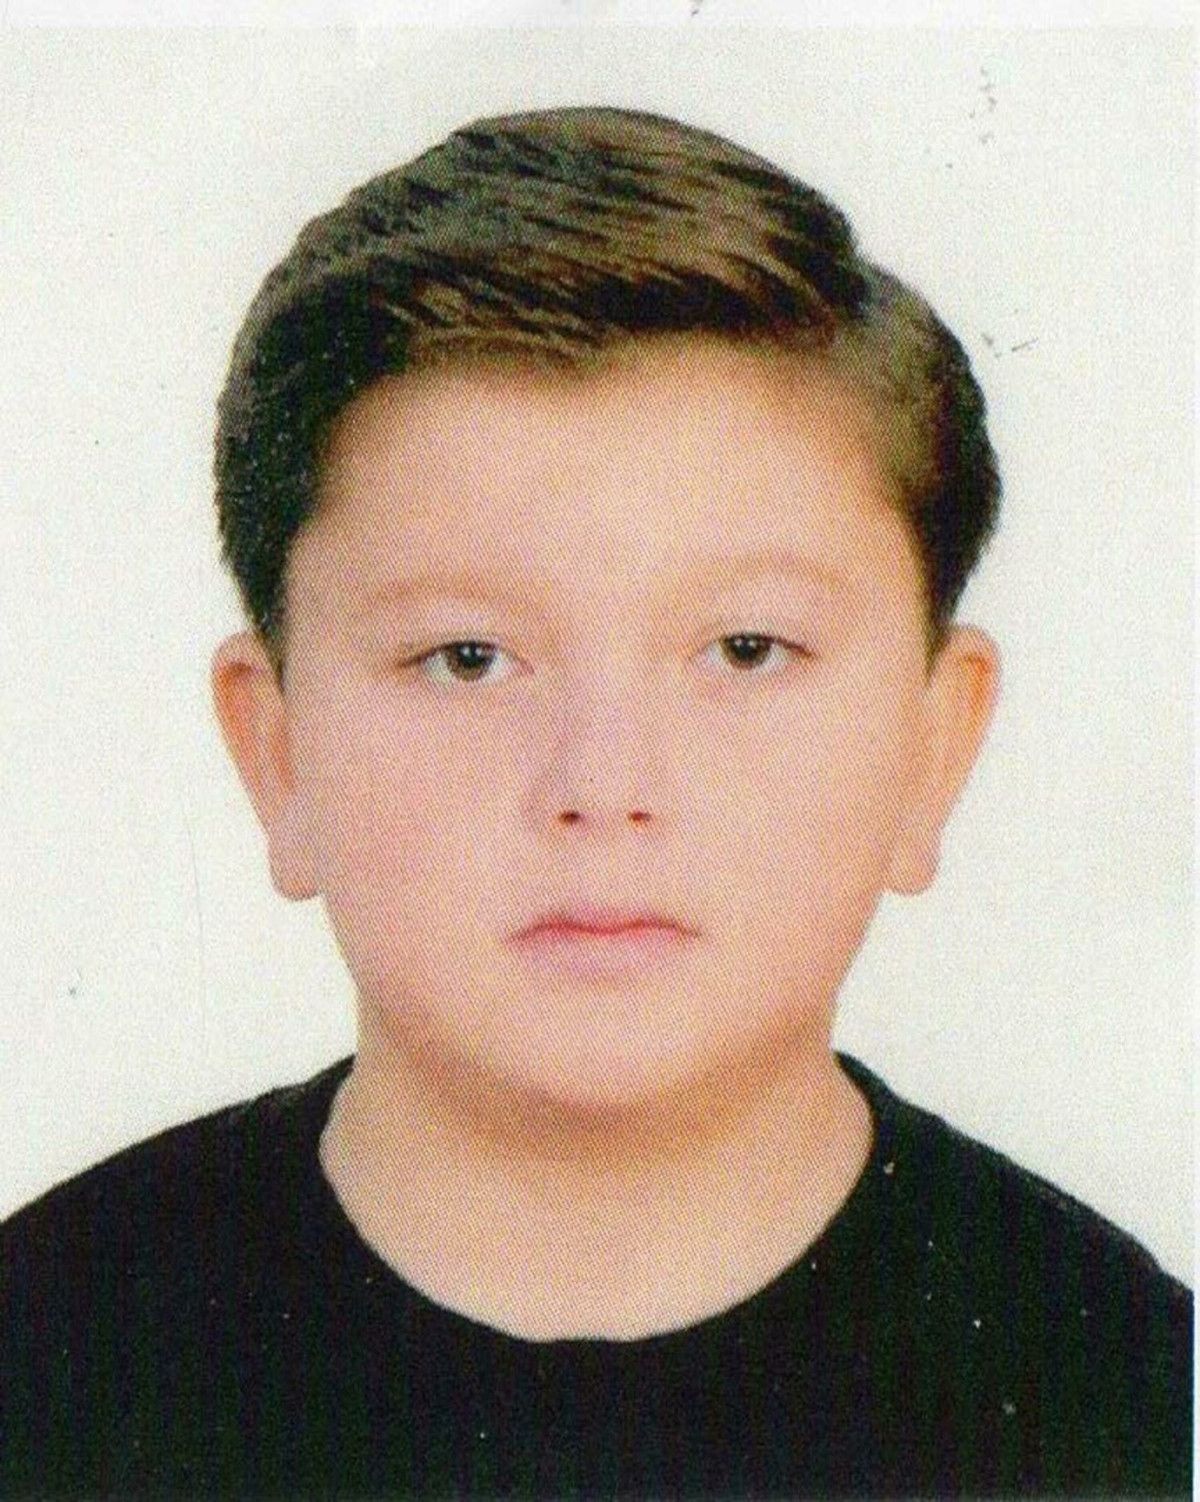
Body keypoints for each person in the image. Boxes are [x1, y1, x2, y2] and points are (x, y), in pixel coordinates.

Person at [1, 106, 1190, 1499]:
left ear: (938, 741)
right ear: (276, 749)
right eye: (468, 657)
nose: (605, 787)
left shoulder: (1134, 1400)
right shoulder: (48, 1361)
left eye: (745, 649)